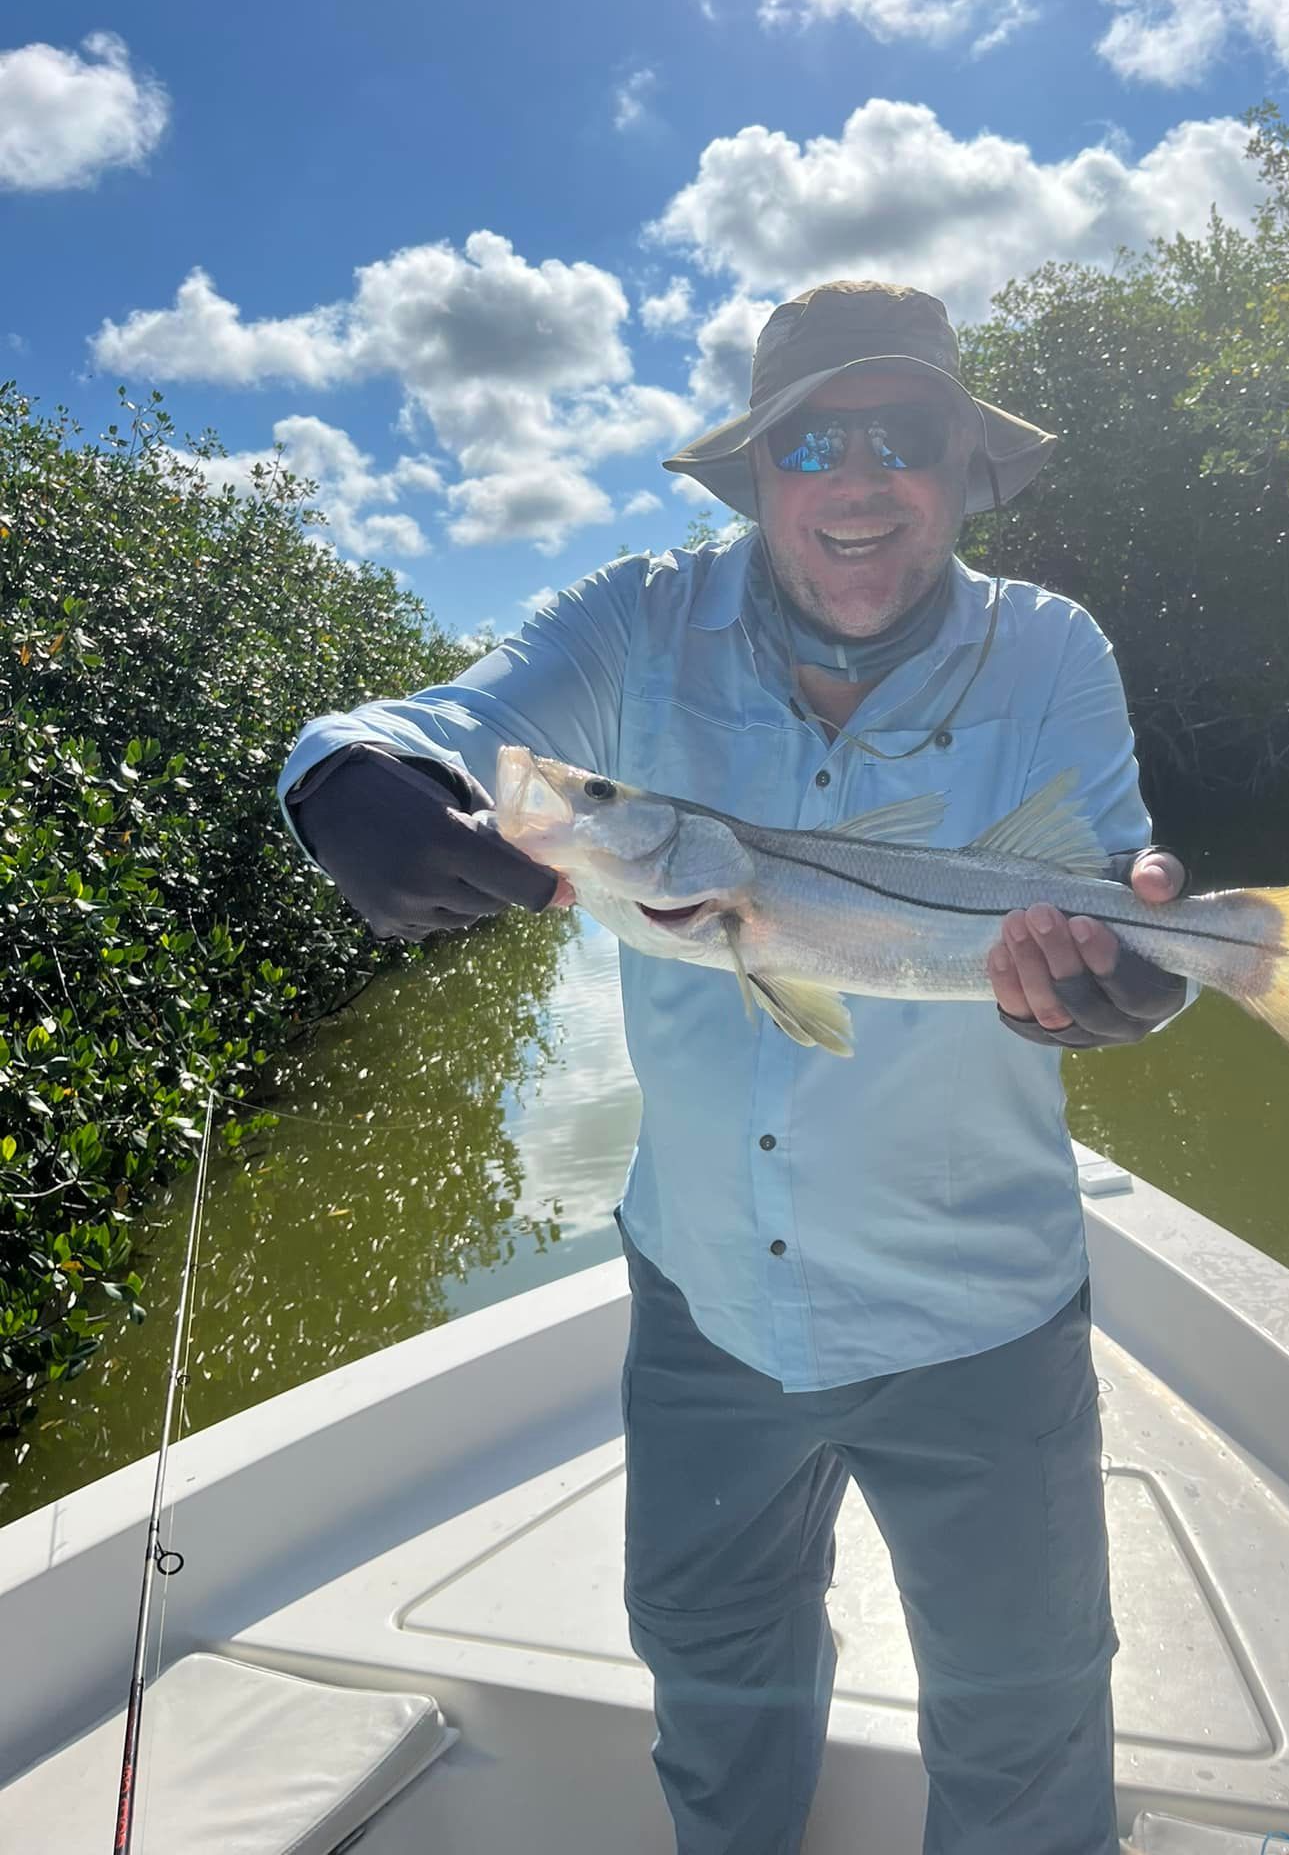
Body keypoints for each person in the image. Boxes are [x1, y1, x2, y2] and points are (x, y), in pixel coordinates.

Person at [278, 280, 1192, 1855]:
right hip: (705, 1303)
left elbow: (1119, 892)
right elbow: (430, 719)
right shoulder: (637, 618)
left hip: (982, 1307)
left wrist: (1140, 984)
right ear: (757, 472)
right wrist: (346, 779)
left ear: (965, 470)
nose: (860, 478)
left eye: (906, 438)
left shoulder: (1051, 649)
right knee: (715, 1689)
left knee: (1029, 1716)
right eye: (813, 440)